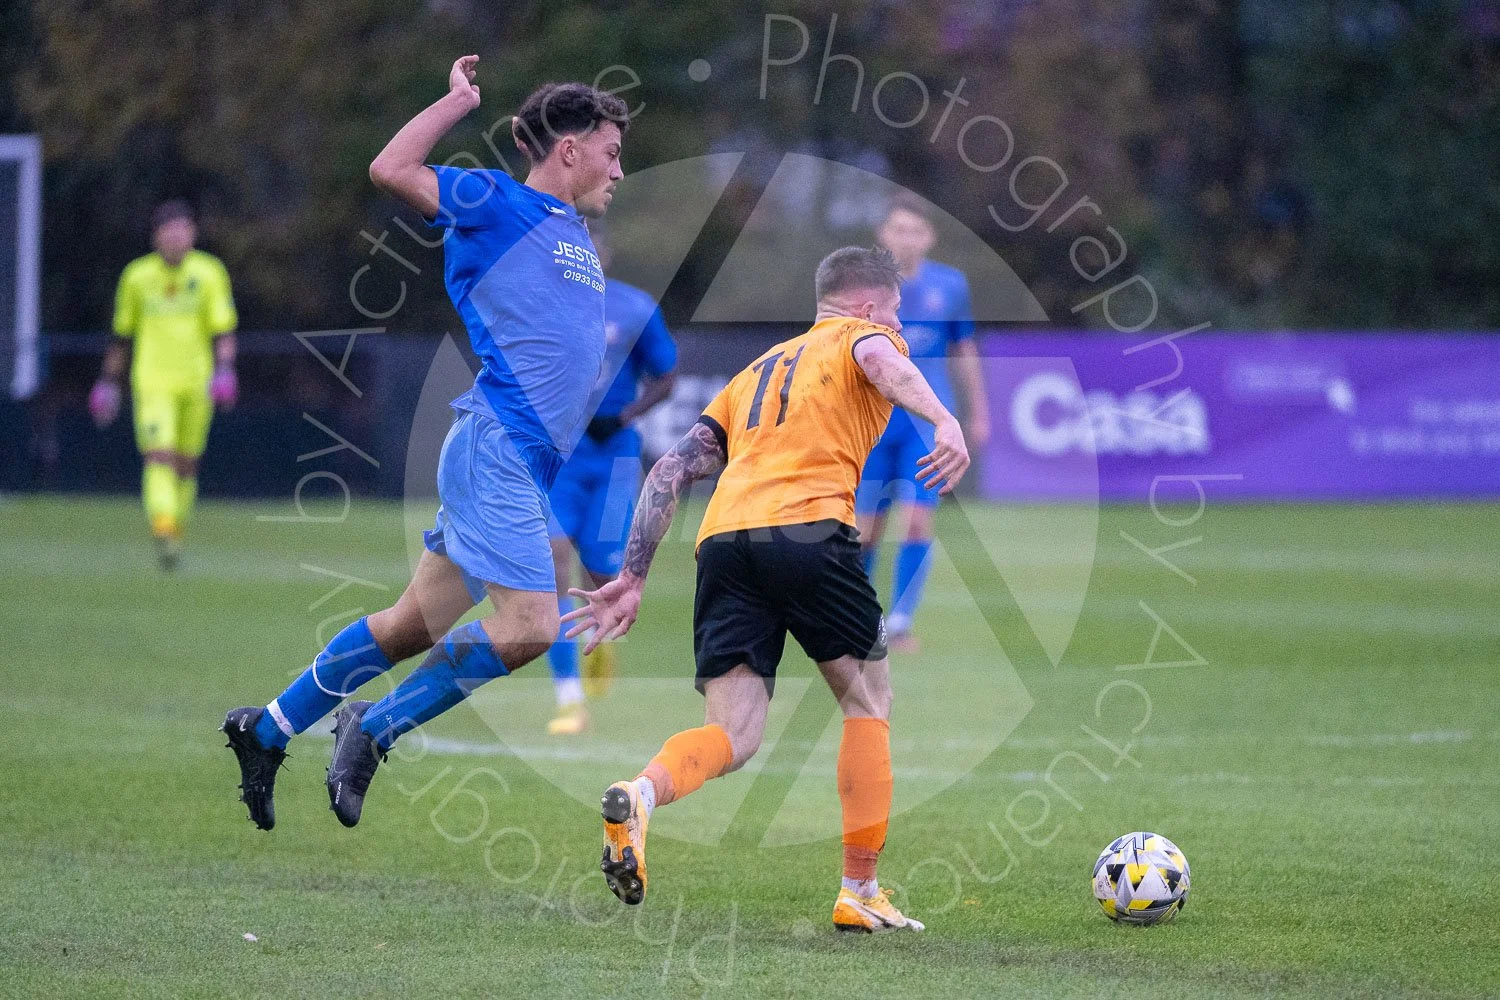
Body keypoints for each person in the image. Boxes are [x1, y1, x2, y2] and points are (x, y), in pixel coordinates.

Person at [220, 55, 628, 832]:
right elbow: (390, 167)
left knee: (413, 624)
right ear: (568, 148)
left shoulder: (572, 228)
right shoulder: (495, 201)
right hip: (498, 447)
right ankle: (372, 729)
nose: (620, 169)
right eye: (611, 152)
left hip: (518, 461)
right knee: (531, 627)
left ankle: (268, 727)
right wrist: (455, 103)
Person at [564, 246, 970, 932]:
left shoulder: (753, 374)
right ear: (868, 306)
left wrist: (633, 575)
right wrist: (944, 419)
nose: (900, 327)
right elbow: (883, 363)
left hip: (723, 545)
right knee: (869, 698)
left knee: (733, 734)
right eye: (897, 312)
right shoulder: (863, 337)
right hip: (811, 533)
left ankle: (641, 794)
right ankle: (860, 890)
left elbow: (670, 469)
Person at [544, 240, 678, 736]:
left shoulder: (635, 307)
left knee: (603, 572)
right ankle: (569, 698)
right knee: (554, 563)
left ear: (602, 251)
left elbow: (667, 378)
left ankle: (602, 645)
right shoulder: (540, 301)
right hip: (557, 458)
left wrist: (622, 416)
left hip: (613, 458)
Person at [855, 194, 989, 652]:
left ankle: (902, 621)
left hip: (925, 425)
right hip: (872, 421)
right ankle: (861, 619)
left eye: (915, 230)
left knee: (916, 522)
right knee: (865, 530)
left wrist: (977, 411)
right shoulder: (862, 288)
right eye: (897, 229)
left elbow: (964, 349)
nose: (905, 238)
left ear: (929, 238)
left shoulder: (950, 286)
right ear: (882, 234)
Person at [89, 200, 239, 570]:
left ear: (192, 234)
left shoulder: (208, 272)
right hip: (152, 381)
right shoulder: (137, 277)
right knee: (159, 455)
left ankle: (174, 531)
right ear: (156, 237)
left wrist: (225, 370)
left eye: (182, 230)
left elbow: (223, 329)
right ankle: (164, 528)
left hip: (197, 382)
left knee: (187, 464)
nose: (175, 238)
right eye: (168, 231)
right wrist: (108, 382)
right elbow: (121, 336)